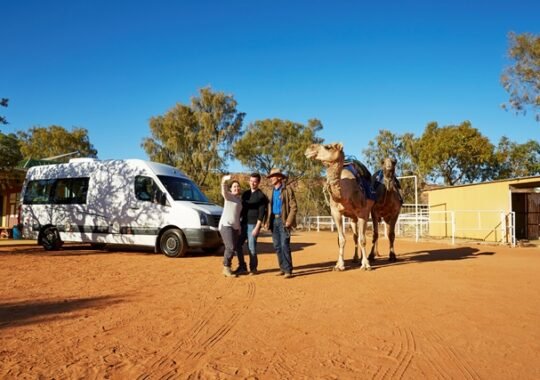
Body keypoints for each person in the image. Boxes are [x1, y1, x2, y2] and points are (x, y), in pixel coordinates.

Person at [265, 168, 297, 279]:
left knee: (285, 245)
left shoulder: (287, 190)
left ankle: (288, 270)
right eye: (270, 177)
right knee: (277, 246)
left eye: (273, 176)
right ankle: (282, 268)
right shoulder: (270, 191)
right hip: (273, 221)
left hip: (284, 221)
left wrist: (289, 220)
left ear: (279, 177)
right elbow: (267, 207)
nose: (271, 179)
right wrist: (266, 221)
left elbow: (294, 207)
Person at [234, 173, 268, 275]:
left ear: (258, 182)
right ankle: (242, 266)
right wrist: (238, 224)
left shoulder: (261, 196)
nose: (252, 183)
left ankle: (253, 268)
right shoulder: (245, 194)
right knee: (237, 245)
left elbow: (262, 213)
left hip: (253, 225)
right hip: (243, 224)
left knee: (251, 247)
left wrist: (257, 228)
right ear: (249, 181)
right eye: (251, 181)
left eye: (255, 181)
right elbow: (241, 210)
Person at [218, 175, 242, 277]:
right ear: (231, 189)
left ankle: (228, 267)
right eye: (234, 187)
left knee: (234, 247)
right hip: (226, 225)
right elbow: (223, 189)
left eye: (237, 186)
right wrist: (224, 180)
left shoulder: (239, 200)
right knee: (230, 247)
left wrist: (239, 227)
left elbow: (237, 215)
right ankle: (226, 268)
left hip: (235, 227)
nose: (236, 188)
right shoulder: (228, 196)